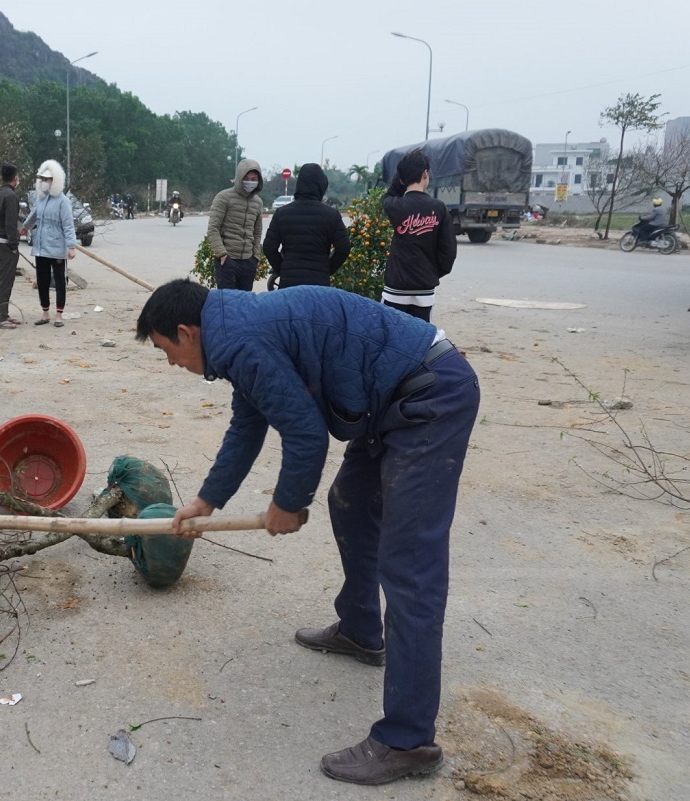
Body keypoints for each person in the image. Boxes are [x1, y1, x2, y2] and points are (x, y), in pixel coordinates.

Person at [135, 278, 480, 786]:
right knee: (350, 502)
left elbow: (304, 432)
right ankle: (363, 632)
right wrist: (207, 501)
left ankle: (408, 740)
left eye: (166, 351)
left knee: (409, 568)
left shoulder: (238, 338)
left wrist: (288, 504)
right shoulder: (233, 327)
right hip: (389, 401)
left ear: (186, 332)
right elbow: (248, 423)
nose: (172, 363)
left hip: (428, 399)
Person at [382, 150, 456, 322]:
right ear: (425, 174)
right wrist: (431, 274)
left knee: (391, 338)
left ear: (401, 180)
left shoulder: (394, 206)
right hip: (424, 290)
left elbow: (389, 194)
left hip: (395, 290)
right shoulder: (439, 208)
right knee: (420, 342)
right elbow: (448, 251)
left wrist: (402, 177)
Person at [263, 163, 351, 290]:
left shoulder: (282, 213)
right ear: (321, 185)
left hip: (289, 284)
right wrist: (327, 269)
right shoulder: (332, 215)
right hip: (319, 285)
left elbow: (269, 247)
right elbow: (343, 248)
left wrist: (282, 268)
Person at [21, 159, 76, 327]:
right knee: (42, 281)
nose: (44, 182)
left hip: (57, 247)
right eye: (43, 179)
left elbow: (68, 225)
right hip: (40, 247)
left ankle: (59, 315)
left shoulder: (63, 202)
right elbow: (33, 216)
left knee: (60, 281)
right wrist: (24, 228)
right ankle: (45, 313)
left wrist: (71, 246)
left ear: (55, 181)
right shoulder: (41, 200)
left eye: (48, 180)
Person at [207, 159, 265, 290]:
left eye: (254, 178)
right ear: (239, 177)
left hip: (248, 261)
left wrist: (255, 257)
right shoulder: (223, 197)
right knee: (227, 303)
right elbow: (213, 229)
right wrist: (222, 255)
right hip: (228, 260)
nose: (250, 181)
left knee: (244, 304)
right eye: (247, 178)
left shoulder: (258, 202)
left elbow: (257, 232)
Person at [0, 164, 22, 329]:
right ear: (15, 177)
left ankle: (4, 313)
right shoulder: (10, 195)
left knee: (4, 280)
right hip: (4, 243)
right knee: (5, 281)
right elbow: (10, 223)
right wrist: (14, 246)